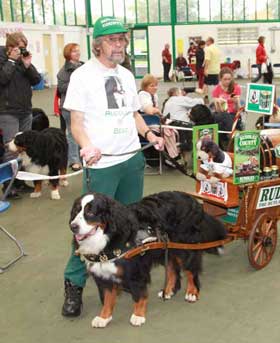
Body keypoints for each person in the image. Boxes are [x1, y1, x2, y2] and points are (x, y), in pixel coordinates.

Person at [61, 16, 164, 318]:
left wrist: (150, 134)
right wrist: (86, 145)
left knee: (129, 227)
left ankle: (124, 275)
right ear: (98, 45)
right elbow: (75, 124)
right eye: (112, 40)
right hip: (102, 165)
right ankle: (74, 284)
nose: (120, 45)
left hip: (131, 160)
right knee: (86, 231)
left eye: (122, 39)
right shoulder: (82, 76)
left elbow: (133, 114)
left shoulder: (126, 75)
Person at [0, 32, 41, 198]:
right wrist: (11, 60)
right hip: (8, 112)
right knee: (11, 150)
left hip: (25, 111)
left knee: (24, 149)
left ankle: (21, 182)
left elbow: (36, 80)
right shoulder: (3, 60)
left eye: (24, 47)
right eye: (19, 47)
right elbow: (2, 79)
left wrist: (27, 65)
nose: (22, 50)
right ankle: (8, 186)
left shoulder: (22, 61)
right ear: (10, 47)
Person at [138, 74, 180, 161]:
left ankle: (172, 154)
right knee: (168, 132)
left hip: (154, 122)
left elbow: (155, 110)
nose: (155, 88)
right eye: (152, 86)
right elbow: (149, 111)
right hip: (145, 124)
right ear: (145, 87)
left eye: (156, 85)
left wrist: (157, 112)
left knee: (173, 129)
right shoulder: (143, 95)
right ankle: (171, 156)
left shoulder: (154, 96)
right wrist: (158, 112)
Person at [57, 43, 84, 171]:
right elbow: (61, 88)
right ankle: (74, 160)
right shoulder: (63, 71)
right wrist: (76, 82)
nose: (77, 53)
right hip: (69, 108)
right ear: (68, 54)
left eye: (78, 51)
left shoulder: (84, 67)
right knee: (72, 134)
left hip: (84, 106)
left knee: (85, 132)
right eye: (74, 51)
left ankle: (83, 156)